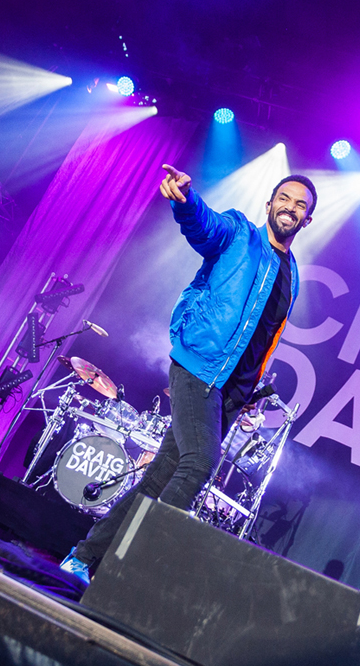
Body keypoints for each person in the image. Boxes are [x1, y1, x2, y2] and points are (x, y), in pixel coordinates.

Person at [60, 165, 317, 584]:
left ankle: (84, 558)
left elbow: (264, 336)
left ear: (307, 219)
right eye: (284, 199)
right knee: (200, 463)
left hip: (231, 393)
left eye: (300, 205)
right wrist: (186, 202)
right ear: (270, 204)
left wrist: (251, 388)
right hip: (199, 368)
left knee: (160, 477)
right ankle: (125, 574)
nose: (290, 207)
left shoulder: (293, 276)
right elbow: (205, 227)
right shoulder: (240, 233)